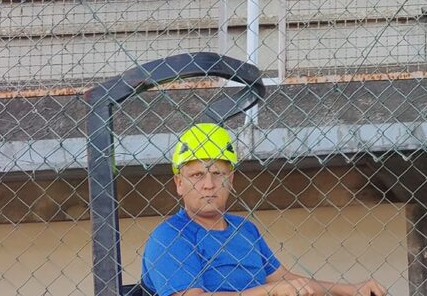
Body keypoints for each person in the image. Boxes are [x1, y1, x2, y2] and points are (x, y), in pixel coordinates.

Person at [142, 123, 387, 296]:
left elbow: (286, 280)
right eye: (197, 175)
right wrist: (269, 292)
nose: (209, 184)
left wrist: (352, 290)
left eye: (218, 173)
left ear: (232, 180)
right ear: (179, 183)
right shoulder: (170, 236)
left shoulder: (244, 230)